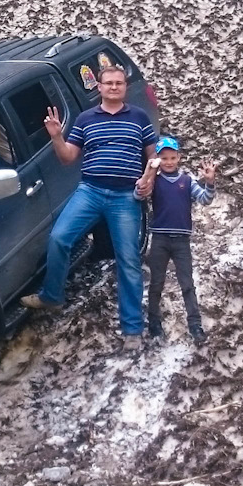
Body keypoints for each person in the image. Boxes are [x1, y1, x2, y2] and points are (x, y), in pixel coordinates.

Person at [21, 65, 157, 347]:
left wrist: (149, 181)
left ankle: (132, 330)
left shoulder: (139, 118)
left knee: (129, 261)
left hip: (125, 197)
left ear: (124, 87)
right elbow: (68, 158)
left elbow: (153, 157)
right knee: (59, 239)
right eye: (109, 83)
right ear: (99, 87)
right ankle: (52, 296)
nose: (114, 87)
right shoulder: (85, 119)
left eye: (119, 83)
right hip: (90, 191)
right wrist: (57, 136)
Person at [137, 137, 217, 344]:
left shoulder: (187, 181)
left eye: (173, 157)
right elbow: (138, 195)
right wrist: (149, 173)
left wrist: (210, 182)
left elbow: (205, 200)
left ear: (179, 157)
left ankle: (195, 325)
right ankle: (154, 322)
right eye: (164, 158)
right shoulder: (155, 180)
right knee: (157, 282)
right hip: (160, 239)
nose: (169, 162)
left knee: (187, 283)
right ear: (157, 159)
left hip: (182, 240)